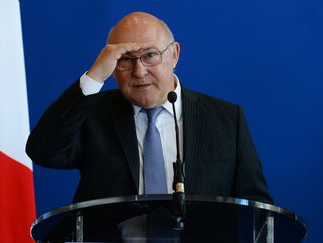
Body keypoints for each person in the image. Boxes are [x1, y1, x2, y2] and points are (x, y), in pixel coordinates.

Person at [26, 11, 272, 208]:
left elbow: (257, 210)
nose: (139, 72)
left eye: (150, 55)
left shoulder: (227, 119)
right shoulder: (93, 114)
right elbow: (43, 151)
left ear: (174, 55)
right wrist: (94, 77)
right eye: (125, 59)